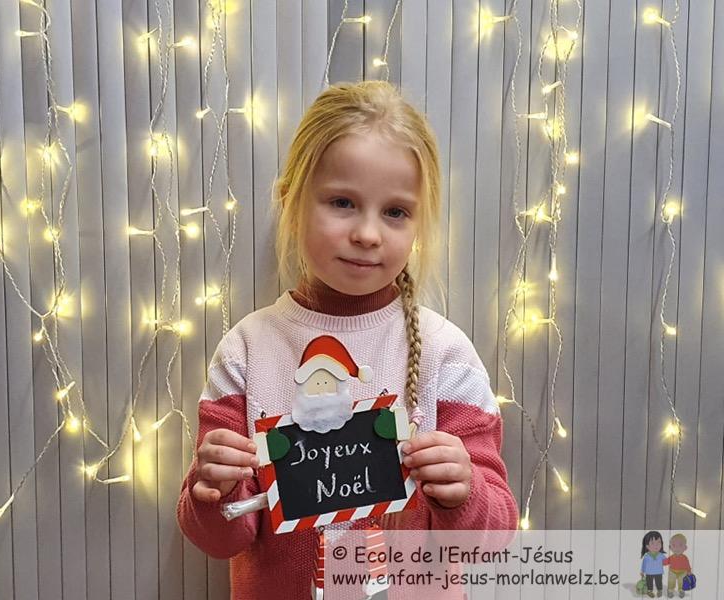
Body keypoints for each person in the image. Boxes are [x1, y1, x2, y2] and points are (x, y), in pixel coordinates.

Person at [177, 80, 519, 599]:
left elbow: (492, 538)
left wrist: (464, 493)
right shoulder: (246, 352)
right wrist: (211, 490)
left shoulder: (446, 355)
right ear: (291, 202)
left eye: (396, 212)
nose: (368, 234)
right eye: (342, 202)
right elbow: (219, 537)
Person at [663, 533, 692, 598]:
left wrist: (689, 571)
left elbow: (687, 565)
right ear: (670, 547)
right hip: (672, 571)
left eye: (680, 545)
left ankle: (681, 590)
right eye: (674, 545)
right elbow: (665, 562)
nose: (677, 548)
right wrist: (659, 563)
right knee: (671, 581)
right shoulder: (671, 557)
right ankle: (670, 590)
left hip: (682, 572)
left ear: (685, 547)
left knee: (682, 581)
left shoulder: (684, 558)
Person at [640, 531, 667, 598]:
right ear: (647, 546)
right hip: (649, 572)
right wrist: (642, 571)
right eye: (652, 543)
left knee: (659, 582)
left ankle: (659, 591)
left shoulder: (661, 555)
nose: (656, 545)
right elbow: (644, 564)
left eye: (658, 542)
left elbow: (666, 562)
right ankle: (649, 591)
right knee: (649, 582)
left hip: (658, 572)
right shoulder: (646, 556)